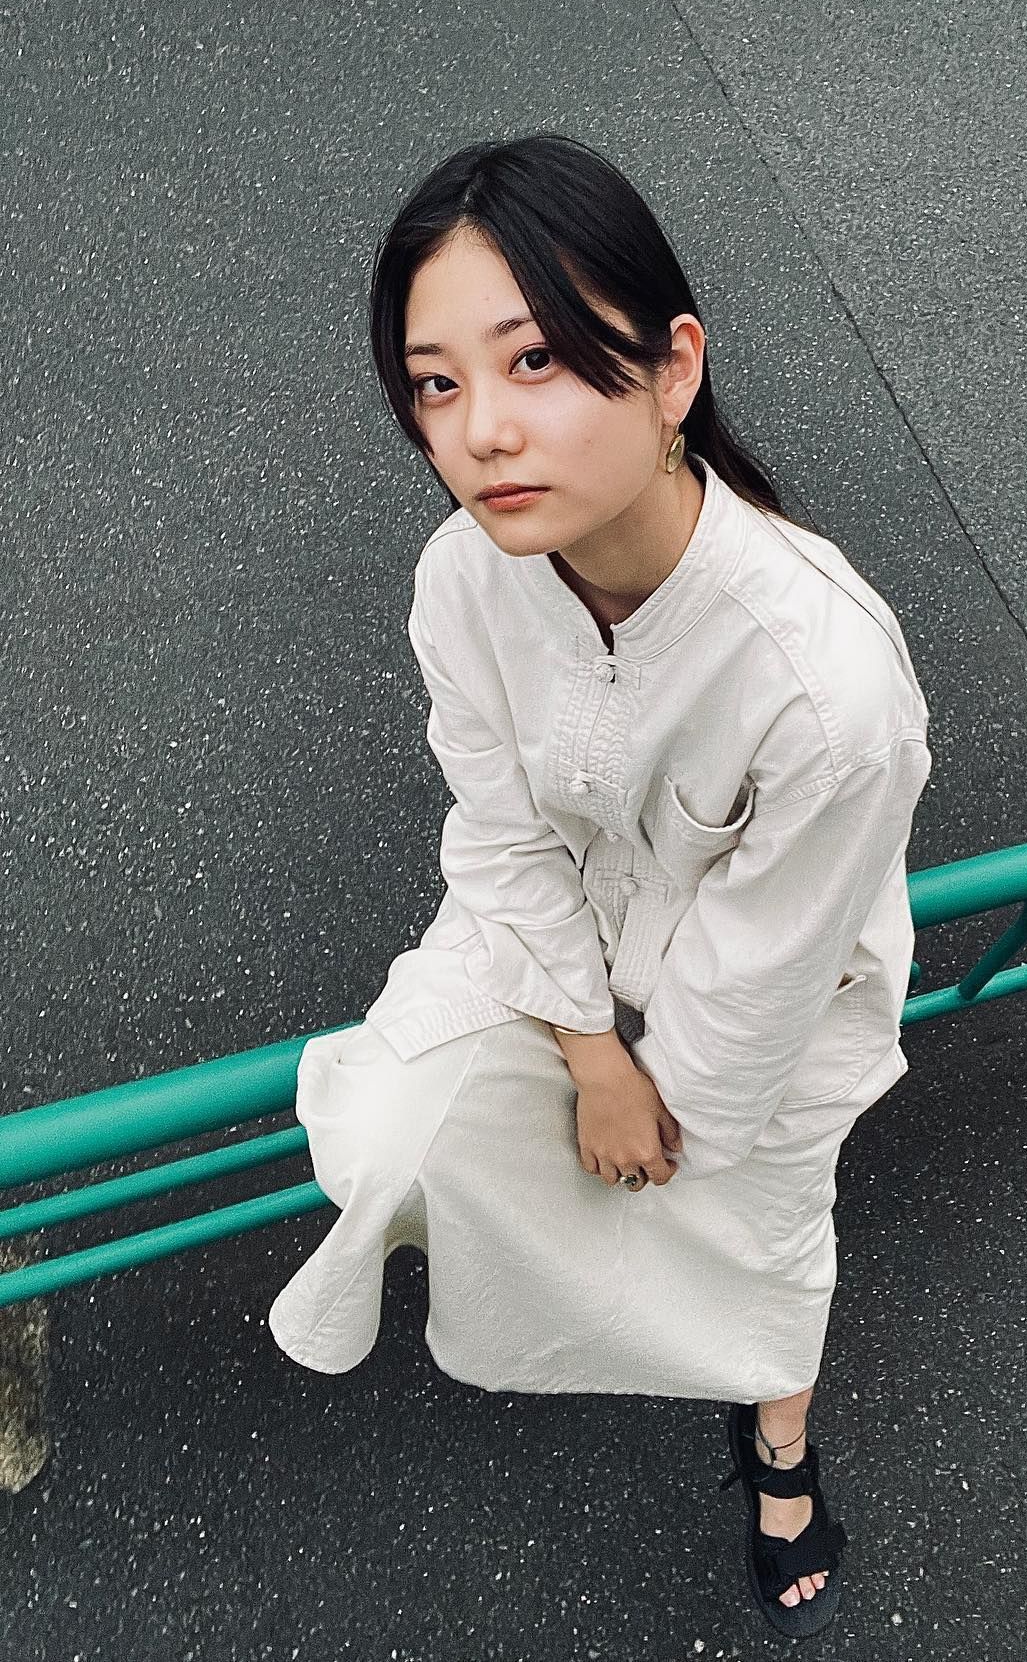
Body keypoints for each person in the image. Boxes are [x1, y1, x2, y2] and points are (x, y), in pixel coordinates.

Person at [266, 133, 932, 1638]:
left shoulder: (826, 684)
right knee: (378, 1129)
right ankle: (599, 1298)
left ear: (673, 367)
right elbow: (500, 831)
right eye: (437, 384)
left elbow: (760, 979)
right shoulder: (464, 576)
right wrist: (590, 1055)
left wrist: (658, 1107)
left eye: (537, 360)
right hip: (554, 937)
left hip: (769, 1000)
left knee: (762, 1229)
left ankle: (777, 1434)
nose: (483, 431)